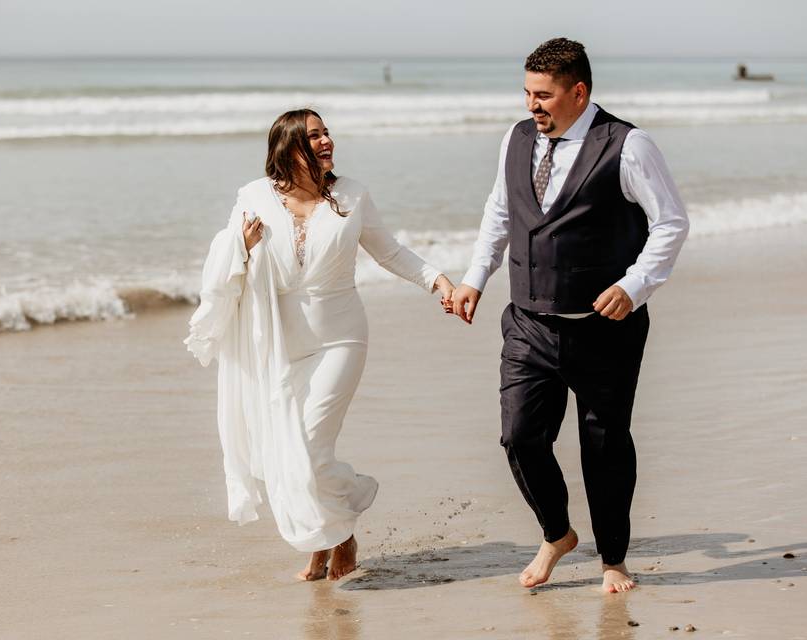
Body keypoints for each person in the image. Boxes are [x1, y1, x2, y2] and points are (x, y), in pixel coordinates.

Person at [450, 38, 689, 593]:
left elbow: (670, 223)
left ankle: (613, 561)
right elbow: (500, 211)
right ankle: (556, 532)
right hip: (528, 322)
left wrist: (634, 286)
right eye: (527, 93)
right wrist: (474, 277)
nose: (533, 105)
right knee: (519, 437)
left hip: (605, 329)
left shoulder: (629, 146)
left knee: (602, 444)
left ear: (578, 92)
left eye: (544, 95)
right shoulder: (516, 139)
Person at [185, 108, 455, 581]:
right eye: (314, 136)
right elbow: (222, 263)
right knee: (283, 452)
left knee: (306, 446)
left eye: (326, 132)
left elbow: (389, 251)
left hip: (341, 339)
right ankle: (325, 538)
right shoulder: (254, 198)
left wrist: (437, 281)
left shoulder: (352, 196)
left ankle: (340, 529)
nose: (326, 140)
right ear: (288, 149)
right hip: (279, 347)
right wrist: (243, 248)